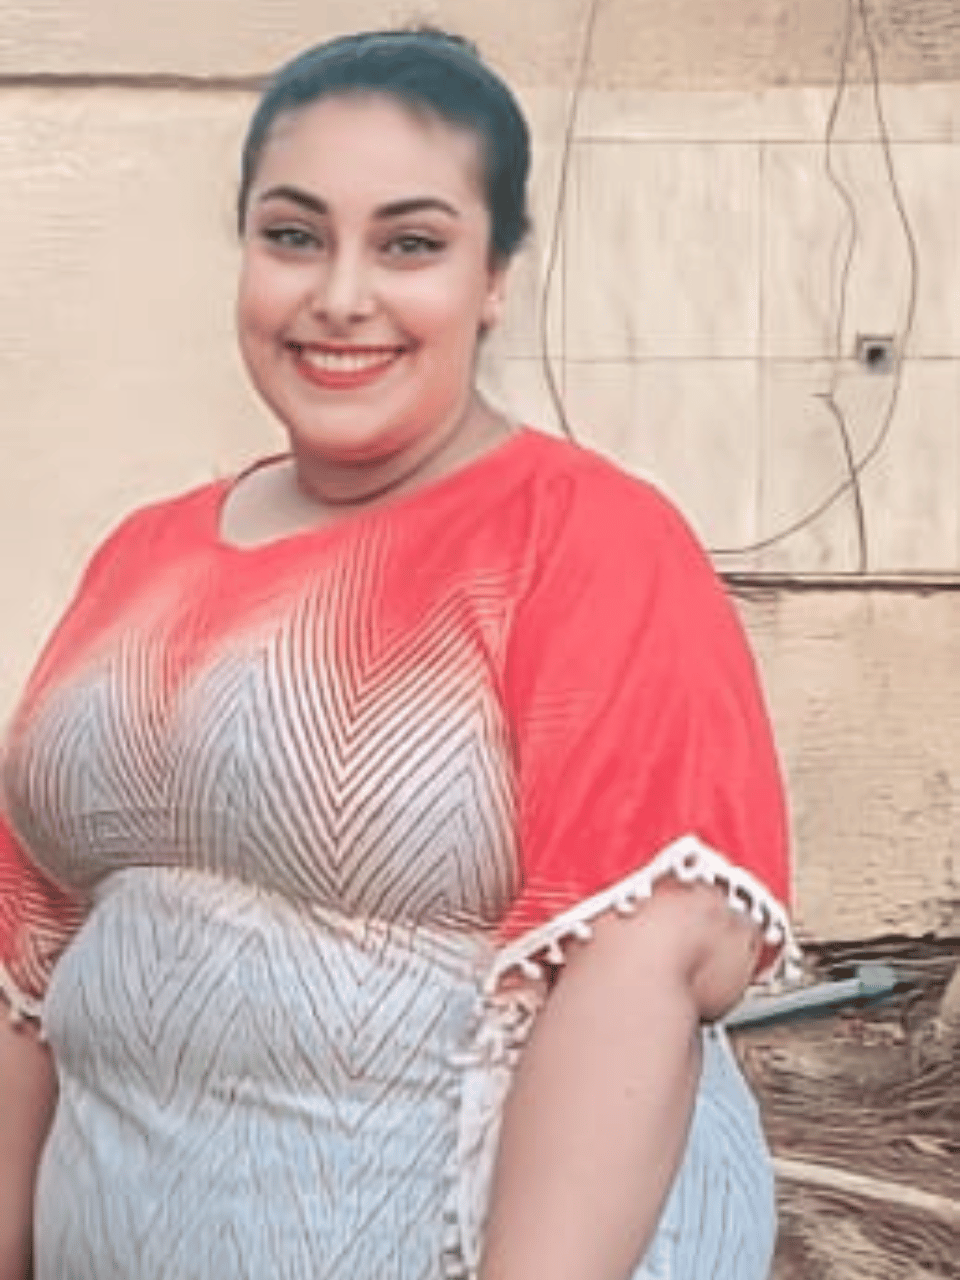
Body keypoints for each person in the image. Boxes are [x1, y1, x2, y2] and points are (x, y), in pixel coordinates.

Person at [0, 27, 797, 1280]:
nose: (340, 295)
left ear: (495, 276)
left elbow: (649, 957)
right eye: (294, 234)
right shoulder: (140, 557)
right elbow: (29, 971)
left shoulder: (584, 536)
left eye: (410, 243)